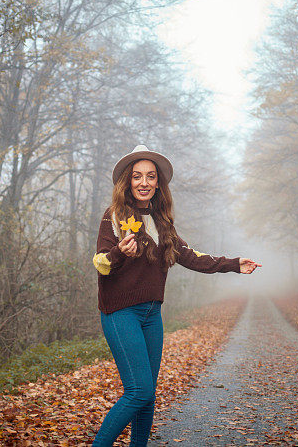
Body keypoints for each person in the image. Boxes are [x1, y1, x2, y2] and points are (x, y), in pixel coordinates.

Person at [91, 144, 260, 446]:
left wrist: (234, 264)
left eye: (151, 176)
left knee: (148, 394)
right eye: (137, 176)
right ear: (127, 182)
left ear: (158, 183)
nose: (144, 182)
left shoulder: (161, 222)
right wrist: (119, 253)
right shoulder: (114, 215)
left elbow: (192, 256)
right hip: (120, 313)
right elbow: (101, 262)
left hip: (151, 315)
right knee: (138, 391)